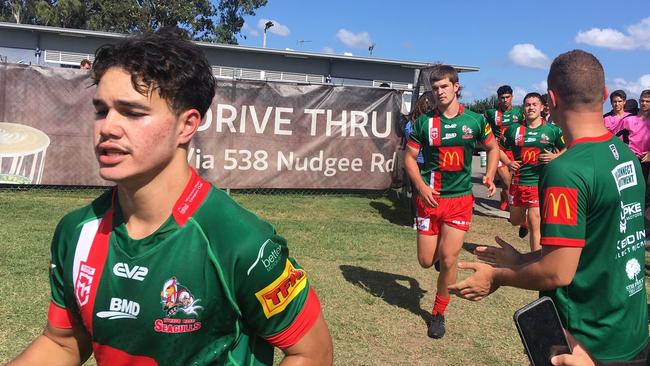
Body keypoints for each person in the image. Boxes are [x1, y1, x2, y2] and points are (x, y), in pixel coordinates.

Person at [8, 27, 333, 366]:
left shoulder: (239, 241)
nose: (107, 127)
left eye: (132, 112)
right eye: (102, 110)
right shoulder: (76, 232)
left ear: (187, 125)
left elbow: (312, 352)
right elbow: (62, 345)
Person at [449, 50, 649, 364]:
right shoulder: (624, 156)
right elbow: (587, 249)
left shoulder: (567, 170)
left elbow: (558, 272)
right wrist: (521, 259)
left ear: (551, 100)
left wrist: (498, 275)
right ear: (605, 94)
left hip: (584, 342)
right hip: (631, 332)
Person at [404, 65, 499, 339]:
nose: (439, 92)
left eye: (444, 86)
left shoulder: (476, 121)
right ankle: (436, 260)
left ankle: (438, 313)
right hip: (430, 200)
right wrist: (421, 186)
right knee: (425, 260)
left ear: (456, 86)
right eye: (435, 88)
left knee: (449, 259)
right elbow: (409, 158)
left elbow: (493, 148)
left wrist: (491, 174)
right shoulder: (424, 123)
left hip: (459, 201)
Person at [499, 92, 565, 251]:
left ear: (542, 107)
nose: (531, 108)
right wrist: (509, 162)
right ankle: (524, 223)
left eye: (534, 104)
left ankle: (535, 263)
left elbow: (569, 147)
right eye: (528, 105)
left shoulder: (552, 130)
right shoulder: (513, 130)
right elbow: (497, 149)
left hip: (539, 184)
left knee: (536, 223)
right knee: (515, 220)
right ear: (523, 108)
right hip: (518, 184)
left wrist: (555, 156)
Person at [485, 85, 525, 211]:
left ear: (512, 97)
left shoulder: (519, 113)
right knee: (507, 180)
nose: (505, 100)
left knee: (512, 181)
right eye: (502, 98)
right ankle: (512, 208)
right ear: (498, 99)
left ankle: (504, 196)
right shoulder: (491, 113)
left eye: (507, 97)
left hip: (514, 151)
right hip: (498, 151)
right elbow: (482, 129)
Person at [610, 89, 650, 208]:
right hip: (630, 158)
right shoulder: (628, 120)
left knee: (644, 189)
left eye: (648, 101)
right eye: (642, 101)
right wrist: (624, 153)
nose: (644, 103)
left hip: (646, 159)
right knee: (628, 188)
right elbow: (615, 139)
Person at [404, 92, 434, 228]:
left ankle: (418, 220)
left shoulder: (410, 123)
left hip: (418, 161)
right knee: (422, 192)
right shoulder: (420, 123)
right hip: (422, 162)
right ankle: (419, 220)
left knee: (418, 192)